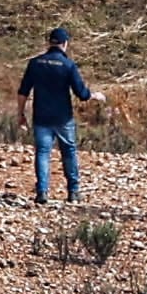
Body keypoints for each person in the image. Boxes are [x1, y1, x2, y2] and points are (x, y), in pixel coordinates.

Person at [20, 26, 99, 207]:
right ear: (65, 44)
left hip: (41, 116)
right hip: (63, 117)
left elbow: (23, 91)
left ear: (49, 42)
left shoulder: (35, 63)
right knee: (69, 152)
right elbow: (82, 94)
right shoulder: (68, 65)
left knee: (42, 153)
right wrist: (95, 95)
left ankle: (42, 191)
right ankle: (73, 191)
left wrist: (21, 113)